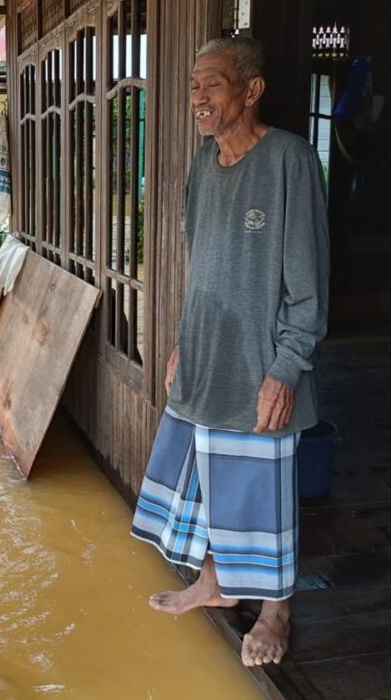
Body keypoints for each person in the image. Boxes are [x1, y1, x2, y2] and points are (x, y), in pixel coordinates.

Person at [130, 37, 329, 668]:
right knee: (216, 474)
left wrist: (286, 366)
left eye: (212, 84)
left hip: (262, 358)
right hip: (209, 348)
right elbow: (203, 264)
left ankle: (277, 613)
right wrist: (184, 342)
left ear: (252, 89)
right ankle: (214, 583)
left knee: (264, 486)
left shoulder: (289, 160)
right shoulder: (201, 165)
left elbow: (309, 283)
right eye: (194, 86)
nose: (199, 98)